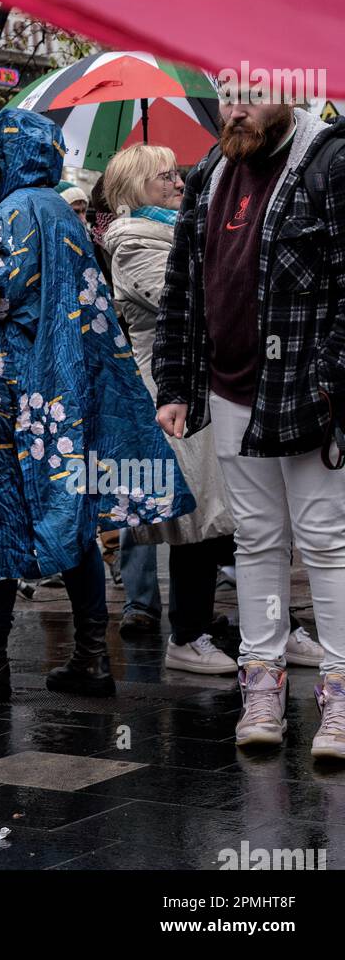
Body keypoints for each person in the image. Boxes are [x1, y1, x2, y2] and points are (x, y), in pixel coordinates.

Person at [0, 109, 195, 699]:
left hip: (8, 398)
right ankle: (90, 656)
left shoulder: (14, 211)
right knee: (74, 519)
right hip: (62, 395)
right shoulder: (60, 210)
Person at [153, 88, 345, 758]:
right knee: (256, 542)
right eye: (227, 97)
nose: (235, 111)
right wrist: (176, 383)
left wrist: (330, 382)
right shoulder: (209, 171)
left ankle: (340, 696)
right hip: (230, 393)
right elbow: (183, 286)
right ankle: (259, 691)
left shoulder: (329, 162)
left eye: (253, 99)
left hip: (306, 394)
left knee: (326, 544)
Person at [103, 144, 239, 674]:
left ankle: (209, 625)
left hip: (199, 391)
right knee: (193, 519)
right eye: (165, 177)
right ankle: (186, 636)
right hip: (167, 395)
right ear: (135, 188)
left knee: (215, 518)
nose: (179, 183)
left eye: (178, 174)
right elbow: (187, 304)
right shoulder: (134, 243)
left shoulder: (173, 232)